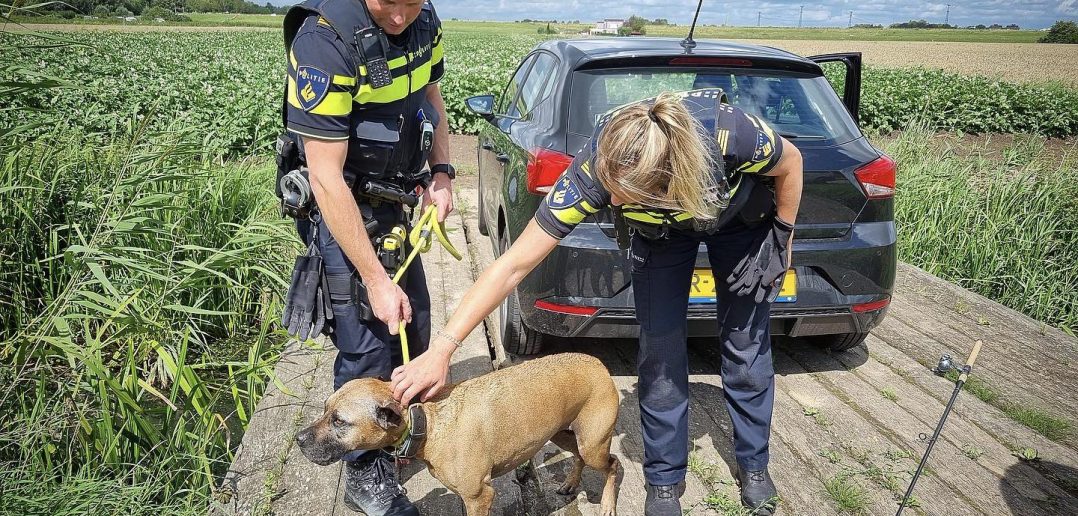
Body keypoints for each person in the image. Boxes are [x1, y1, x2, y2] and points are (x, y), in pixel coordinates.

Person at [391, 89, 803, 515]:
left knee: (746, 343)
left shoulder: (732, 135)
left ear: (665, 177)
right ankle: (663, 482)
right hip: (661, 235)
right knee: (660, 351)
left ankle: (754, 466)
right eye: (610, 191)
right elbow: (514, 265)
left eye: (624, 195)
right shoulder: (594, 171)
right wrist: (442, 349)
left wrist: (782, 236)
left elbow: (792, 164)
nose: (614, 203)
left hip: (736, 222)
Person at [281, 0, 454, 514]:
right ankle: (363, 478)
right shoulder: (323, 40)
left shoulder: (425, 22)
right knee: (367, 351)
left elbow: (431, 97)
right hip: (344, 210)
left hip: (399, 205)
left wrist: (441, 172)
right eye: (387, 2)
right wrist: (376, 279)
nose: (400, 16)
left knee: (415, 333)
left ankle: (394, 441)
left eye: (411, 1)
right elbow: (325, 179)